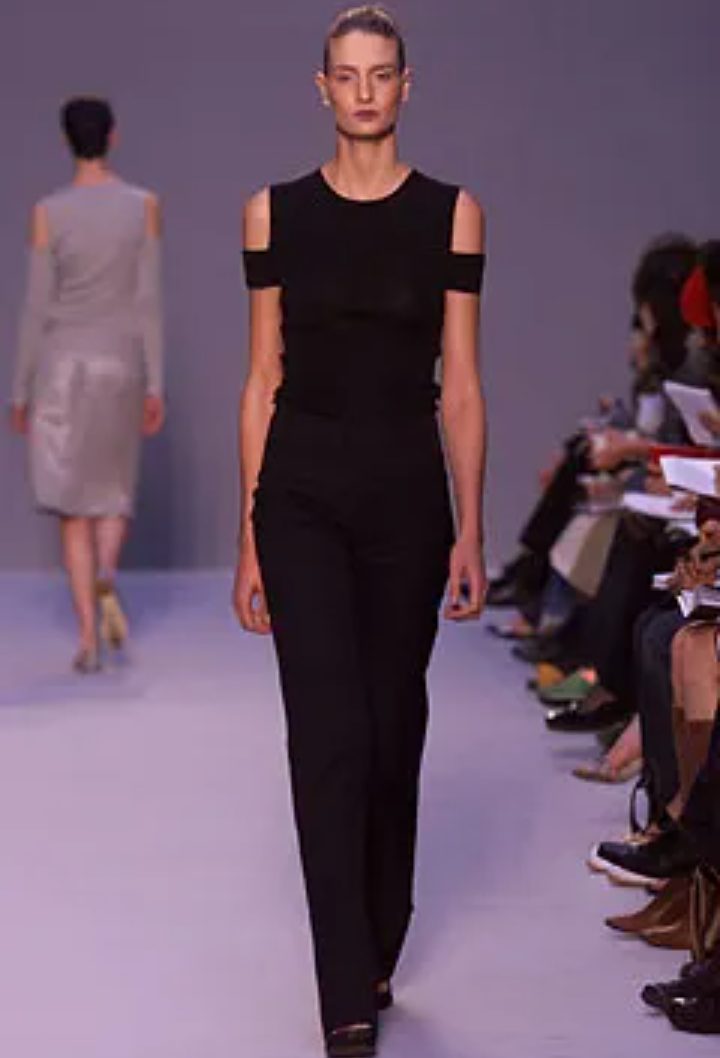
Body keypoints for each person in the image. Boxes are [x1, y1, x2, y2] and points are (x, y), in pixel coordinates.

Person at [232, 6, 486, 1055]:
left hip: (406, 493)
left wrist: (472, 528)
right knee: (327, 735)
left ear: (406, 85)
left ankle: (381, 932)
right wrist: (248, 534)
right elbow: (262, 376)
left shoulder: (453, 215)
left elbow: (460, 383)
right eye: (349, 75)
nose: (366, 92)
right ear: (322, 87)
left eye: (382, 74)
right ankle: (344, 986)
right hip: (300, 490)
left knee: (390, 732)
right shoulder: (274, 213)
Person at [8, 97, 164, 672]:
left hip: (61, 367)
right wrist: (156, 382)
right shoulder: (144, 206)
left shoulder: (48, 212)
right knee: (113, 491)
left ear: (67, 140)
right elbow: (147, 300)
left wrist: (20, 390)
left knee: (73, 506)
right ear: (112, 137)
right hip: (119, 362)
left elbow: (36, 306)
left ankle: (86, 639)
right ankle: (106, 576)